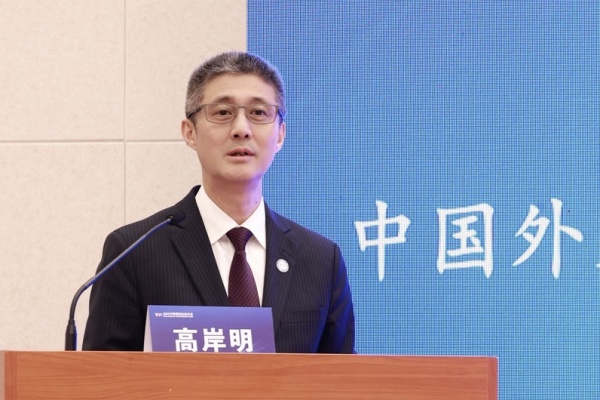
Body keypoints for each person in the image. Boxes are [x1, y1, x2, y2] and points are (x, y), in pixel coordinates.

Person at [83, 51, 355, 353]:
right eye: (223, 113)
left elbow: (344, 374)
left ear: (280, 134)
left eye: (258, 113)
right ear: (190, 133)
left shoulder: (320, 260)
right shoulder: (134, 251)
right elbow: (101, 374)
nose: (241, 129)